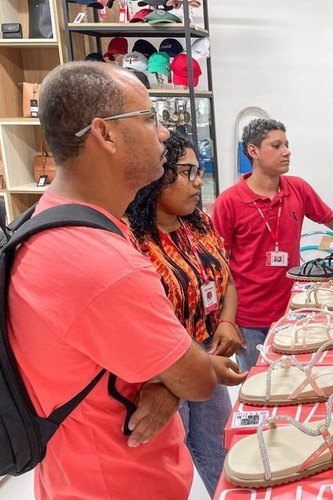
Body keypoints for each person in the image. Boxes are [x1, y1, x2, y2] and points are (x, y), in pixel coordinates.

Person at [8, 62, 217, 500]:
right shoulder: (97, 263)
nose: (162, 134)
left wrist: (165, 380)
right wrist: (174, 378)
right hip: (117, 485)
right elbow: (198, 380)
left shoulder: (50, 220)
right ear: (104, 134)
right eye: (148, 119)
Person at [126, 132, 247, 497]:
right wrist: (169, 383)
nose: (199, 181)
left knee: (222, 454)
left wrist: (226, 320)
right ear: (155, 175)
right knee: (168, 467)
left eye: (200, 171)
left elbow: (226, 279)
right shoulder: (131, 239)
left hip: (208, 353)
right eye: (187, 171)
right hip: (161, 372)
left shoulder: (198, 223)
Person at [212, 118, 333, 371]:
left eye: (287, 145)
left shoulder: (298, 189)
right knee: (258, 387)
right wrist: (225, 320)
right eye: (277, 145)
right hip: (250, 320)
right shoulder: (229, 202)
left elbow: (332, 220)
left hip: (294, 310)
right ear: (253, 151)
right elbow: (220, 267)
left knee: (295, 381)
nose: (287, 151)